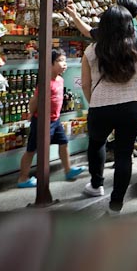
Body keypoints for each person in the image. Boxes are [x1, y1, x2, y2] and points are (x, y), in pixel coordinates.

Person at [80, 6, 137, 213]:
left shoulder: (92, 51)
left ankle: (96, 184)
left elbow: (85, 84)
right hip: (132, 106)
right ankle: (115, 204)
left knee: (96, 143)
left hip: (101, 106)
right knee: (124, 154)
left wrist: (95, 101)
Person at [17, 49, 86, 188]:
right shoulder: (45, 81)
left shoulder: (60, 79)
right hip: (42, 121)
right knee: (32, 149)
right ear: (50, 64)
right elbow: (34, 100)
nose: (64, 64)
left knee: (63, 143)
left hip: (55, 120)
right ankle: (23, 179)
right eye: (60, 61)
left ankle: (68, 170)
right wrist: (31, 114)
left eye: (65, 61)